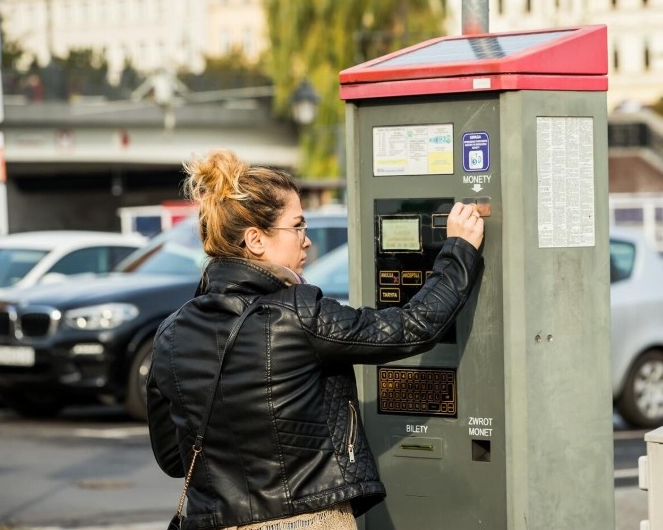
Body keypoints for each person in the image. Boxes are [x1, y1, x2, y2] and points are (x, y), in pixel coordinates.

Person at [147, 149, 484, 530]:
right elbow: (414, 326)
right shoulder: (298, 313)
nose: (306, 242)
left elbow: (174, 459)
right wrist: (459, 250)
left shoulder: (171, 332)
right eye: (297, 226)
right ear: (256, 240)